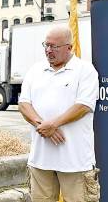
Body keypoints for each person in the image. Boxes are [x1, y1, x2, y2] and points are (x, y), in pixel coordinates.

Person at [19, 26, 100, 202]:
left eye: (54, 46)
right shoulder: (35, 70)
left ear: (69, 47)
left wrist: (53, 124)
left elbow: (83, 106)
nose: (48, 50)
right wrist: (44, 125)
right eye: (46, 45)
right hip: (40, 161)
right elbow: (24, 104)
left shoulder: (85, 70)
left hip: (75, 162)